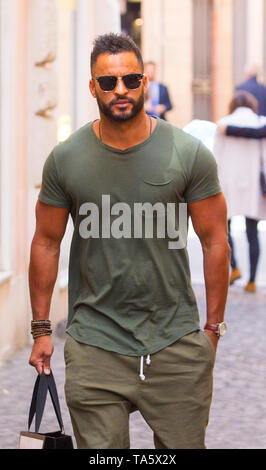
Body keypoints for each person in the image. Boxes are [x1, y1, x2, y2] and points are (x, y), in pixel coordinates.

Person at [29, 33, 229, 449]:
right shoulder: (66, 159)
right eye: (108, 82)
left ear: (144, 82)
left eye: (131, 79)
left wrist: (211, 329)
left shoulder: (188, 154)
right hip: (95, 345)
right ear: (93, 87)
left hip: (174, 343)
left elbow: (215, 240)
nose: (120, 90)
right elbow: (46, 242)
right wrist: (41, 329)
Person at [214, 90, 266, 293]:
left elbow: (215, 158)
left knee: (224, 230)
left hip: (227, 183)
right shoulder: (260, 123)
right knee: (252, 233)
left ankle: (234, 267)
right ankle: (252, 281)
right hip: (252, 183)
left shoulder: (223, 123)